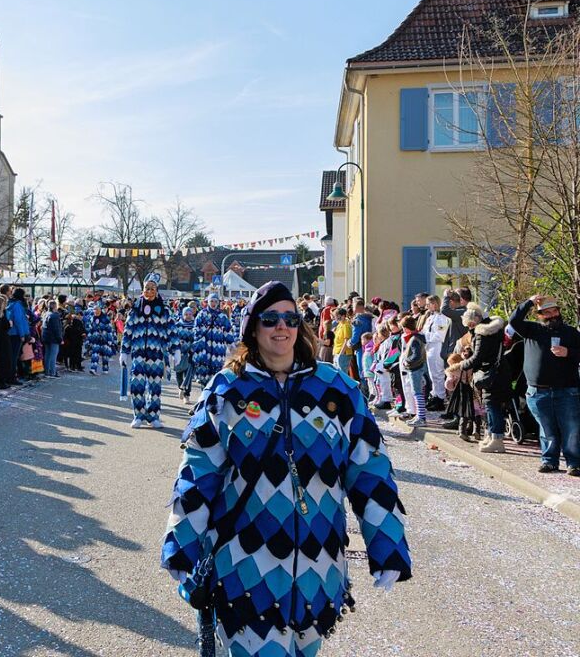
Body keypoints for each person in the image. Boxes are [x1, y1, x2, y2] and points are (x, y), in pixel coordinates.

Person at [161, 281, 411, 657]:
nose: (281, 326)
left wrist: (387, 546)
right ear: (252, 328)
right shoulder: (228, 389)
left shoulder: (337, 389)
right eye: (270, 319)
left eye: (290, 318)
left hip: (318, 570)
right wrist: (181, 547)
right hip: (245, 567)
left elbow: (370, 470)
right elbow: (198, 470)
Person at [509, 295, 580, 476]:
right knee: (546, 428)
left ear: (559, 312)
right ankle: (549, 461)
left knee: (571, 428)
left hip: (567, 390)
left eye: (554, 311)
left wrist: (568, 352)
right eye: (546, 313)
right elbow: (513, 320)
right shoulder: (531, 330)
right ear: (539, 315)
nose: (551, 315)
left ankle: (574, 463)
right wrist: (530, 301)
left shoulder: (571, 333)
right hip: (538, 391)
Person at [120, 275, 178, 429]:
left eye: (152, 289)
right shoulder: (135, 308)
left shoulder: (164, 309)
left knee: (155, 387)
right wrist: (124, 351)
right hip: (138, 352)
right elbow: (128, 330)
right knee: (137, 385)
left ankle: (153, 417)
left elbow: (171, 330)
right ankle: (138, 415)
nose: (149, 291)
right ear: (143, 290)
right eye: (147, 288)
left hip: (157, 353)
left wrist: (175, 350)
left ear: (157, 290)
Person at [458, 303, 509, 454]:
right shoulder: (493, 329)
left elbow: (478, 356)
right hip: (497, 371)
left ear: (474, 321)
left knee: (492, 407)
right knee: (490, 406)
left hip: (491, 373)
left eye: (470, 325)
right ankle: (491, 436)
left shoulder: (482, 333)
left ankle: (497, 439)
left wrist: (462, 365)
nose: (469, 328)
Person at [190, 292, 235, 394]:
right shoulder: (202, 314)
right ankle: (204, 393)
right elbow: (196, 329)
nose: (213, 303)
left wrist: (231, 345)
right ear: (208, 302)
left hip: (218, 350)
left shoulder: (222, 316)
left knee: (216, 372)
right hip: (204, 349)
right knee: (203, 372)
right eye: (211, 301)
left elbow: (228, 331)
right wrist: (200, 339)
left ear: (218, 302)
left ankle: (214, 395)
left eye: (215, 301)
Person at [398, 314, 428, 427]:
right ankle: (419, 416)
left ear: (406, 328)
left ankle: (421, 417)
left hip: (415, 368)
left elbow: (416, 355)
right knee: (416, 392)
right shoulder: (417, 337)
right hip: (416, 368)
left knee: (417, 392)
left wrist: (407, 361)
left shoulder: (414, 339)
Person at [421, 295, 450, 409]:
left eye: (429, 303)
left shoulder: (442, 318)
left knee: (438, 373)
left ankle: (440, 398)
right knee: (432, 374)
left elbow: (440, 335)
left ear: (435, 304)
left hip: (437, 346)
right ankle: (435, 394)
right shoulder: (430, 317)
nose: (427, 305)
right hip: (429, 347)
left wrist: (426, 337)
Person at [6, 288, 30, 385]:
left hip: (11, 333)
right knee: (14, 357)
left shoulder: (10, 303)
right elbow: (19, 320)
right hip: (16, 333)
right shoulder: (17, 305)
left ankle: (11, 376)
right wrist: (22, 334)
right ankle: (12, 377)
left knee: (12, 357)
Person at [86, 302, 115, 376]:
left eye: (97, 309)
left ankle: (105, 368)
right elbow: (90, 330)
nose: (95, 311)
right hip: (96, 339)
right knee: (94, 354)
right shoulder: (92, 318)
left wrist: (110, 340)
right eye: (94, 309)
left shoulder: (105, 318)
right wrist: (88, 340)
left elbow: (109, 330)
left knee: (105, 356)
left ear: (100, 310)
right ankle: (93, 369)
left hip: (105, 340)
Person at [40, 301, 63, 378]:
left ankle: (47, 372)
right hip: (54, 339)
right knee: (53, 356)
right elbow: (57, 329)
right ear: (55, 306)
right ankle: (52, 372)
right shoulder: (55, 316)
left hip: (46, 338)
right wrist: (60, 339)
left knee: (47, 355)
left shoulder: (45, 314)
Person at [332, 307, 354, 377]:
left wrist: (341, 354)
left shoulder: (346, 325)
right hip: (337, 352)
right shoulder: (340, 324)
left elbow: (346, 340)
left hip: (343, 353)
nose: (335, 317)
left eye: (336, 316)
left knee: (342, 375)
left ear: (343, 316)